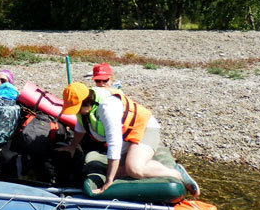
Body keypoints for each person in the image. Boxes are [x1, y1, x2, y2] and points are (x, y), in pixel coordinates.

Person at [58, 82, 199, 196]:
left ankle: (175, 173)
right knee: (118, 173)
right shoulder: (84, 109)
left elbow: (114, 144)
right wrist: (72, 146)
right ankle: (145, 161)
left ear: (86, 102)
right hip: (126, 136)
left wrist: (109, 181)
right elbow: (80, 128)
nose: (74, 111)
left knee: (134, 169)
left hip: (143, 128)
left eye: (76, 107)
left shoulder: (107, 107)